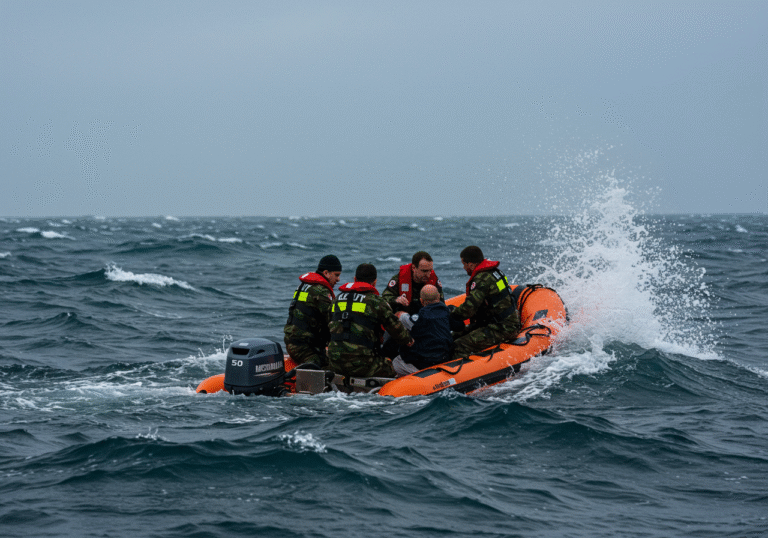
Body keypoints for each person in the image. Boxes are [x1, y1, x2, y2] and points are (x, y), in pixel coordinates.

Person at [327, 263, 413, 378]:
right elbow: (397, 331)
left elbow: (328, 324)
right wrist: (409, 340)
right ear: (375, 282)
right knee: (390, 366)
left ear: (355, 279)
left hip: (334, 362)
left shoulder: (336, 300)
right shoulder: (377, 302)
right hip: (363, 364)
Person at [449, 246, 521, 359]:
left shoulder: (482, 279)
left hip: (502, 328)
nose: (464, 267)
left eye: (464, 264)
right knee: (454, 336)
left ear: (471, 264)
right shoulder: (495, 272)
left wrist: (450, 314)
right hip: (500, 322)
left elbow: (469, 310)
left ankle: (464, 373)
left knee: (460, 345)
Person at [283, 255, 342, 368]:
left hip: (292, 342)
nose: (338, 279)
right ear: (326, 273)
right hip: (305, 348)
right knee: (333, 366)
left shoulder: (304, 285)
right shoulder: (321, 291)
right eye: (336, 275)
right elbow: (333, 321)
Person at [392, 284, 457, 376]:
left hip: (424, 360)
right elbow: (459, 326)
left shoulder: (418, 318)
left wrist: (396, 307)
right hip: (444, 356)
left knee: (395, 361)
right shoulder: (447, 313)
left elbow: (398, 319)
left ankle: (421, 377)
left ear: (421, 301)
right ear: (439, 296)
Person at [382, 251, 444, 316]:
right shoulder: (398, 280)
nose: (428, 275)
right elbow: (384, 299)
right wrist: (396, 300)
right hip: (404, 318)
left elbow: (441, 302)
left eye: (430, 270)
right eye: (424, 271)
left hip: (427, 317)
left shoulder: (433, 280)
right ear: (414, 268)